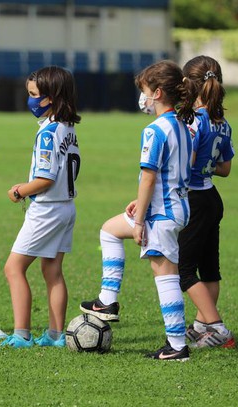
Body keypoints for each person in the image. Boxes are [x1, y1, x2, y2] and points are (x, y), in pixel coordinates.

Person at [80, 60, 195, 361]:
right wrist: (138, 202)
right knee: (108, 230)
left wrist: (140, 220)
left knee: (165, 276)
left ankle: (177, 346)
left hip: (160, 214)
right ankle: (107, 301)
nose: (141, 97)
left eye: (144, 91)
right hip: (176, 206)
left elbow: (150, 175)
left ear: (157, 93)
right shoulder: (182, 126)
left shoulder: (154, 130)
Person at [1, 66, 81, 349]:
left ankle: (21, 334)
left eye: (34, 95)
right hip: (67, 207)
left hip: (46, 209)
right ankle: (56, 335)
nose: (30, 100)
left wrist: (19, 190)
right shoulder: (68, 129)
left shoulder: (47, 133)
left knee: (13, 268)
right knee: (52, 270)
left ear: (51, 97)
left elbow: (45, 179)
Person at [179, 56, 236, 349]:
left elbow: (185, 164)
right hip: (212, 198)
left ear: (188, 85)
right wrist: (207, 165)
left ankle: (217, 327)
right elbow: (225, 169)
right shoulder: (222, 123)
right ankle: (202, 324)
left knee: (184, 271)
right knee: (209, 268)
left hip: (194, 199)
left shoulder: (193, 122)